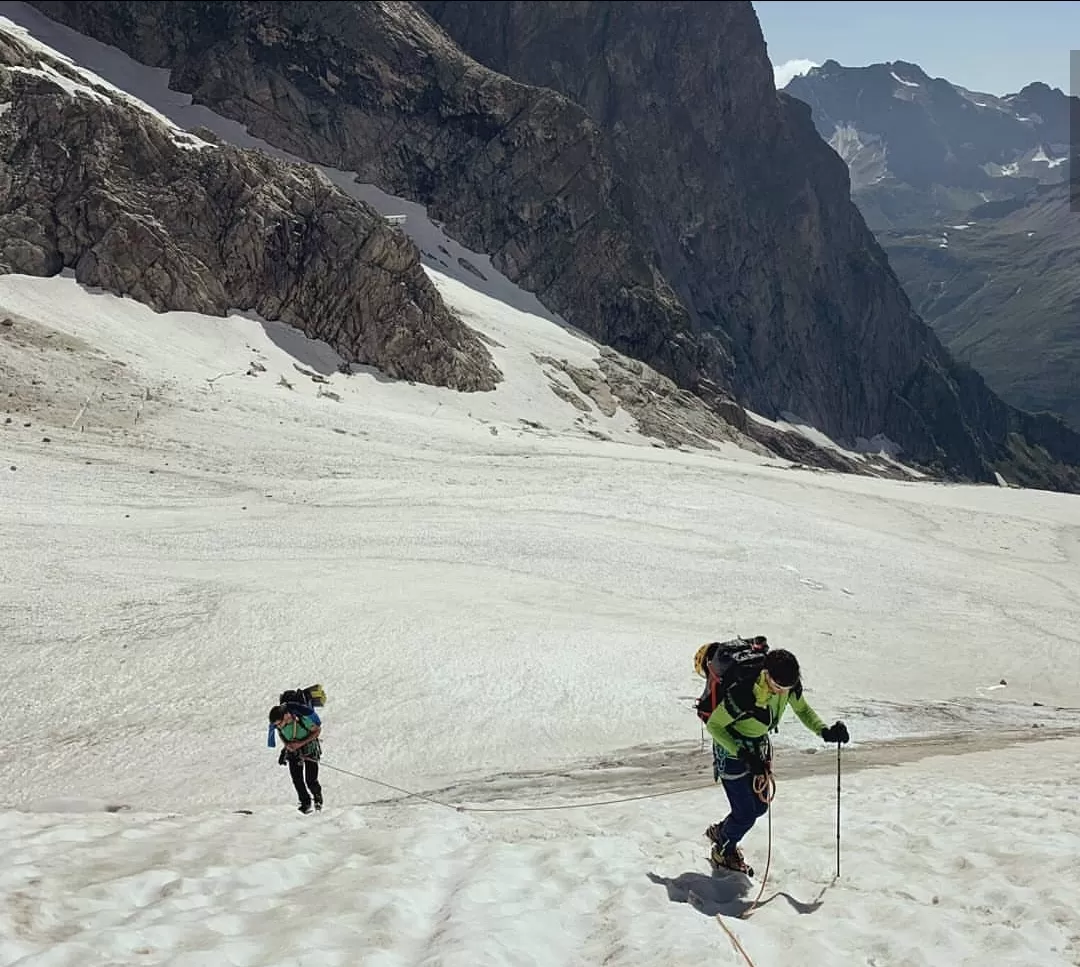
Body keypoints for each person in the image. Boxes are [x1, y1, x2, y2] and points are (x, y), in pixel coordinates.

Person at [704, 647, 849, 875]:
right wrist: (741, 753)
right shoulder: (745, 693)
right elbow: (714, 725)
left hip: (757, 751)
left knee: (759, 806)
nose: (782, 693)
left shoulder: (788, 687)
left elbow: (803, 710)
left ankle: (723, 832)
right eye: (778, 687)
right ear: (767, 674)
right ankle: (722, 851)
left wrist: (825, 731)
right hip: (731, 753)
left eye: (786, 689)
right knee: (745, 814)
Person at [268, 704, 324, 813]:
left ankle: (317, 797)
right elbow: (282, 735)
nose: (278, 727)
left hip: (310, 749)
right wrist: (287, 746)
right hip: (293, 751)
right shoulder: (279, 726)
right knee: (297, 779)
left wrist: (300, 744)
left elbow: (317, 731)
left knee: (310, 779)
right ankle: (305, 802)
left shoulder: (301, 720)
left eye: (279, 723)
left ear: (286, 716)